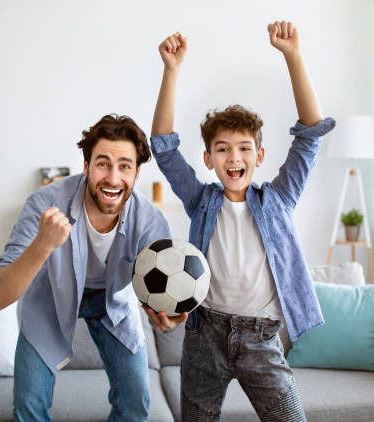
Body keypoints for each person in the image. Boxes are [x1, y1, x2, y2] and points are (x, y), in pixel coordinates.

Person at [144, 21, 336, 421]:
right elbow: (163, 147)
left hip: (261, 338)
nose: (234, 157)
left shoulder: (278, 200)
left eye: (244, 148)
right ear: (209, 159)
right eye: (222, 149)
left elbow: (311, 136)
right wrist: (171, 71)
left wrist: (294, 56)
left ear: (259, 156)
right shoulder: (200, 200)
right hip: (204, 336)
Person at [0, 114, 170, 422]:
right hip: (49, 300)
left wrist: (168, 315)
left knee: (136, 401)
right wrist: (42, 245)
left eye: (124, 166)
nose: (113, 178)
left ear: (137, 173)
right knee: (28, 406)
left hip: (113, 301)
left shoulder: (150, 221)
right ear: (86, 167)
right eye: (103, 163)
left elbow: (162, 290)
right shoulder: (43, 204)